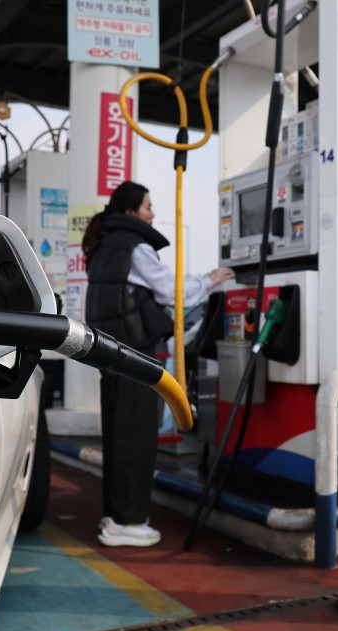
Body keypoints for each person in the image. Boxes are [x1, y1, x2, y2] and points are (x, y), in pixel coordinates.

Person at [82, 181, 235, 547]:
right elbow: (172, 291)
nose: (153, 214)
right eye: (149, 206)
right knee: (137, 438)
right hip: (136, 354)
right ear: (132, 211)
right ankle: (129, 522)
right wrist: (210, 280)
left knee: (118, 436)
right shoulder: (136, 247)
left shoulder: (102, 245)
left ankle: (115, 516)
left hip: (110, 351)